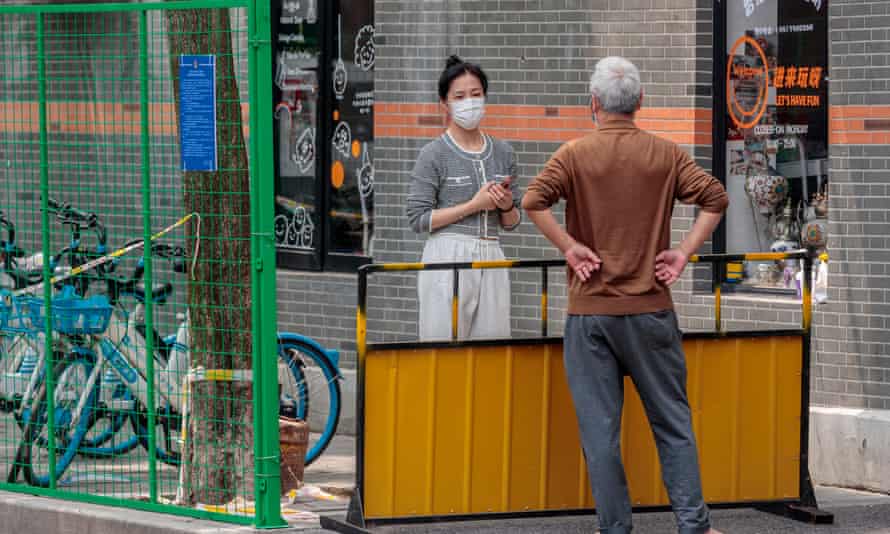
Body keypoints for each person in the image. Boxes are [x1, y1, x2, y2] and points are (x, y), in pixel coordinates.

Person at [522, 56, 728, 534]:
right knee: (672, 423)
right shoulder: (666, 154)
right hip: (651, 310)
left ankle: (615, 528)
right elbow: (715, 197)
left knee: (600, 434)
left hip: (589, 314)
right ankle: (693, 524)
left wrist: (570, 247)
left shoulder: (573, 154)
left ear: (593, 103)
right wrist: (682, 252)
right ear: (640, 102)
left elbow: (532, 200)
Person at [406, 55, 521, 341]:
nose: (469, 102)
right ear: (444, 103)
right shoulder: (433, 154)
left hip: (492, 253)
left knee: (493, 347)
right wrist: (473, 205)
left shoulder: (504, 152)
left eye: (476, 94)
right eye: (459, 96)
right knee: (443, 345)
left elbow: (512, 222)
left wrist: (506, 205)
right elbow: (418, 219)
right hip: (447, 254)